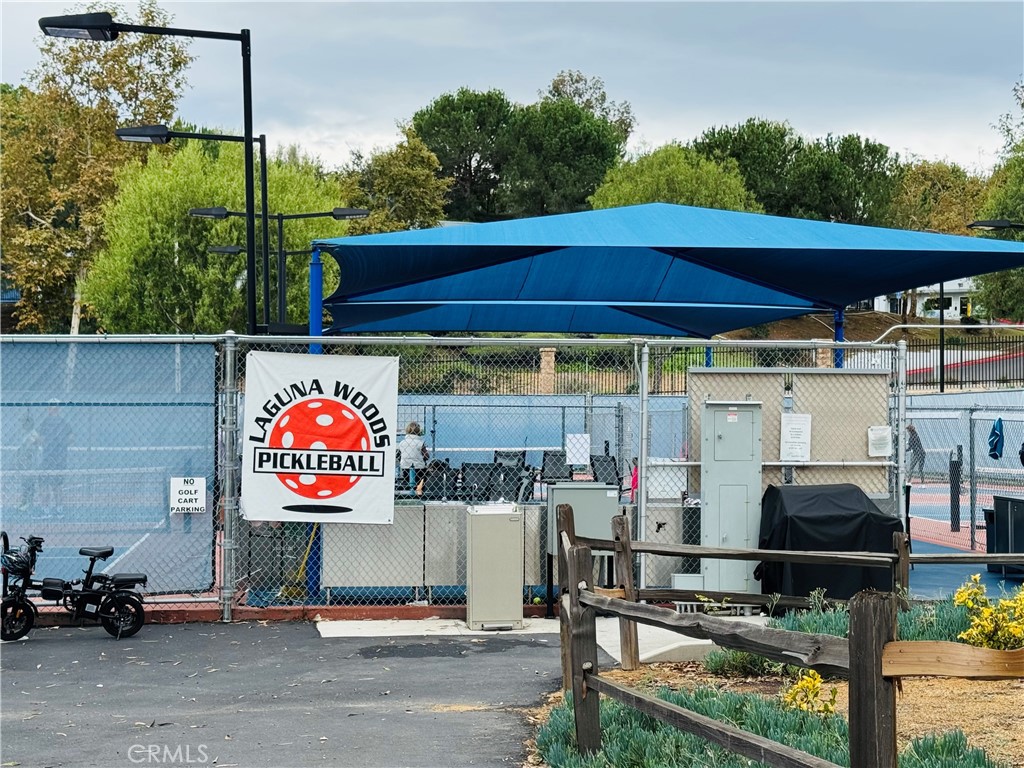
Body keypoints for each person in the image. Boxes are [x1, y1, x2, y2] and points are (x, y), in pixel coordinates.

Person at [38, 400, 72, 511]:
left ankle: (45, 509)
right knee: (57, 485)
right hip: (60, 458)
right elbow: (71, 439)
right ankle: (59, 509)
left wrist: (48, 442)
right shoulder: (64, 423)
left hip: (48, 457)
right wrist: (60, 444)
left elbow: (40, 440)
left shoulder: (45, 422)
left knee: (44, 483)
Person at [17, 414, 42, 509]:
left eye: (24, 422)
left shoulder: (33, 433)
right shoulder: (26, 434)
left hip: (31, 463)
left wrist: (25, 458)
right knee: (24, 482)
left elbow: (30, 447)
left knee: (29, 482)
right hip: (26, 463)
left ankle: (29, 503)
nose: (22, 424)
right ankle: (24, 501)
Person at [397, 421, 429, 494]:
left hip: (405, 468)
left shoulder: (402, 443)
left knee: (408, 481)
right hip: (419, 469)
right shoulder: (420, 443)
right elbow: (427, 456)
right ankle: (420, 493)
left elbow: (399, 455)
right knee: (422, 479)